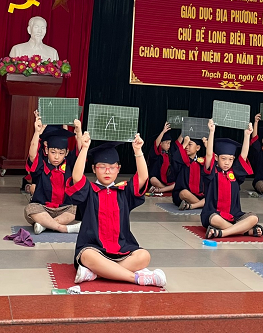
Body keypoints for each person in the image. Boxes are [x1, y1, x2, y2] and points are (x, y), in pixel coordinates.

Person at [66, 133, 166, 287]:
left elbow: (143, 178)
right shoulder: (89, 191)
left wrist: (138, 151)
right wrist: (84, 148)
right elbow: (77, 177)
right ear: (94, 169)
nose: (107, 171)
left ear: (118, 169)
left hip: (122, 247)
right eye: (102, 167)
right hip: (94, 248)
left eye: (112, 167)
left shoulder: (124, 192)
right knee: (87, 256)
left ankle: (96, 273)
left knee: (144, 256)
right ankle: (136, 278)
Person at [201, 120, 261, 239]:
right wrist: (211, 132)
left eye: (230, 159)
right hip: (214, 213)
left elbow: (243, 156)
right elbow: (208, 155)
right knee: (214, 219)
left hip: (234, 215)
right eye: (223, 159)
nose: (227, 163)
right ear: (216, 157)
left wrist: (247, 135)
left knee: (254, 218)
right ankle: (244, 231)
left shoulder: (235, 173)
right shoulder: (212, 172)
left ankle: (222, 232)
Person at [24, 113, 82, 234]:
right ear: (46, 150)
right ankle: (62, 227)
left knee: (76, 208)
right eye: (53, 152)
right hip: (43, 208)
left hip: (63, 208)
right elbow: (32, 155)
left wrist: (79, 132)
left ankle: (45, 225)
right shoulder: (41, 166)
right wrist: (37, 132)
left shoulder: (69, 165)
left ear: (66, 152)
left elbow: (81, 152)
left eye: (61, 153)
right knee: (30, 208)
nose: (56, 157)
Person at [172, 134, 207, 211]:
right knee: (184, 193)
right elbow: (174, 159)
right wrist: (183, 144)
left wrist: (207, 146)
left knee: (212, 194)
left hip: (200, 195)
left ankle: (191, 206)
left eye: (190, 144)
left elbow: (212, 161)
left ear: (198, 148)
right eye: (186, 144)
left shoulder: (202, 162)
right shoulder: (182, 161)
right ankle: (203, 205)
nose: (187, 147)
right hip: (184, 195)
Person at [148, 123, 178, 194]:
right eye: (167, 143)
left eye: (169, 143)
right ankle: (166, 189)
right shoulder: (157, 154)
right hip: (159, 180)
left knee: (178, 183)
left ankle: (161, 190)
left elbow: (178, 142)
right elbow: (156, 143)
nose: (169, 145)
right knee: (152, 180)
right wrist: (163, 131)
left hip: (169, 180)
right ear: (161, 144)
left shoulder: (170, 153)